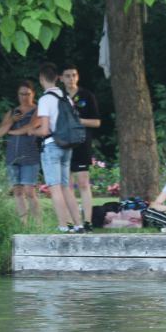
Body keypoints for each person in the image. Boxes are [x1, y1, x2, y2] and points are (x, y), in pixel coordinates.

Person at [34, 62, 86, 233]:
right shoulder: (66, 98)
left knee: (55, 187)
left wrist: (31, 132)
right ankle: (78, 225)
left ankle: (64, 226)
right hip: (67, 146)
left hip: (51, 146)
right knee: (66, 187)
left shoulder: (45, 99)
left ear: (41, 79)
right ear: (57, 78)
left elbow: (44, 130)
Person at [61, 65, 101, 230]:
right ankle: (72, 222)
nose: (71, 79)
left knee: (83, 183)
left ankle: (88, 221)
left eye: (74, 75)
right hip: (63, 144)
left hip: (82, 144)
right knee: (67, 185)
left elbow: (96, 122)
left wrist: (78, 121)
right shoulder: (59, 97)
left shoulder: (87, 95)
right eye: (67, 76)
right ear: (61, 78)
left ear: (77, 77)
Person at [0, 80, 42, 227]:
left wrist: (12, 132)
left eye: (27, 94)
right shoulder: (12, 112)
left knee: (29, 191)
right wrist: (12, 120)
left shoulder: (37, 110)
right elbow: (0, 133)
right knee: (17, 191)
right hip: (12, 156)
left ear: (33, 94)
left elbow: (30, 127)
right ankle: (24, 224)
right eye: (21, 94)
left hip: (30, 155)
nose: (24, 97)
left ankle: (38, 224)